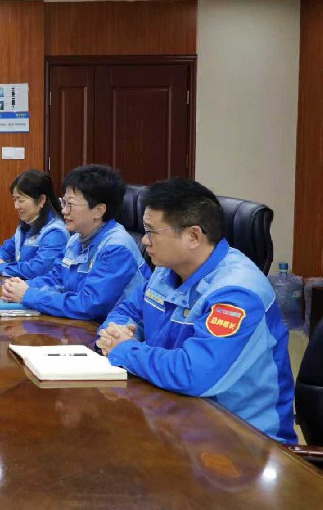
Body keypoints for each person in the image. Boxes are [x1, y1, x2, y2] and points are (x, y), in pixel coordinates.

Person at [96, 177, 296, 444]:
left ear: (193, 236)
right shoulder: (166, 270)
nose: (144, 240)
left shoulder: (237, 293)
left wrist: (125, 349)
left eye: (151, 231)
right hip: (175, 415)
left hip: (244, 440)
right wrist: (116, 332)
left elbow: (195, 373)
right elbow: (126, 311)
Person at [0, 164, 150, 321]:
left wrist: (29, 295)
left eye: (70, 204)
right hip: (81, 325)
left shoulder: (117, 248)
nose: (64, 210)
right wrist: (19, 286)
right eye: (64, 203)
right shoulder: (75, 240)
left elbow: (88, 305)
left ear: (98, 210)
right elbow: (56, 277)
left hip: (113, 329)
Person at [0, 169, 68, 279]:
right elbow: (6, 249)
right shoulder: (27, 225)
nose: (16, 206)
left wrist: (1, 266)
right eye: (14, 200)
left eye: (21, 200)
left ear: (41, 200)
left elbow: (38, 269)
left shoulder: (56, 232)